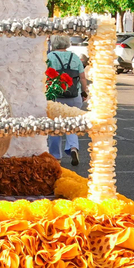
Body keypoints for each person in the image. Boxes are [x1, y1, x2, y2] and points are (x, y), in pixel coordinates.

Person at [45, 36, 88, 170]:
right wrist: (84, 92)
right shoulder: (74, 57)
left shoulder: (50, 57)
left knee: (55, 127)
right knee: (72, 124)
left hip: (55, 96)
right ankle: (73, 147)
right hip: (74, 95)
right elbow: (82, 77)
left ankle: (55, 156)